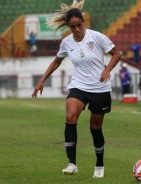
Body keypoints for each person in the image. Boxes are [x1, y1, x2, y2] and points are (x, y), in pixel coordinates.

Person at [31, 0, 121, 178]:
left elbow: (117, 54)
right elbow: (57, 61)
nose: (77, 30)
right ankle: (72, 163)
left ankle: (99, 164)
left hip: (99, 88)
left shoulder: (97, 37)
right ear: (68, 26)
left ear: (83, 23)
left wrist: (107, 69)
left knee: (95, 128)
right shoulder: (66, 43)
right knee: (70, 116)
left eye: (79, 25)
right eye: (73, 27)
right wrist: (42, 80)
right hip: (78, 85)